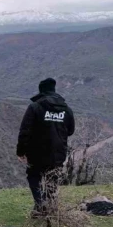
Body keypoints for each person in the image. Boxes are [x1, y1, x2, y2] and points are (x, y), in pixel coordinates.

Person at [16, 78, 75, 216]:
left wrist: (21, 151)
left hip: (36, 152)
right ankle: (49, 206)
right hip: (58, 152)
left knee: (34, 176)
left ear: (41, 90)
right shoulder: (66, 109)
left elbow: (25, 131)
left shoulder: (35, 107)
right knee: (52, 178)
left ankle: (40, 204)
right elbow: (71, 130)